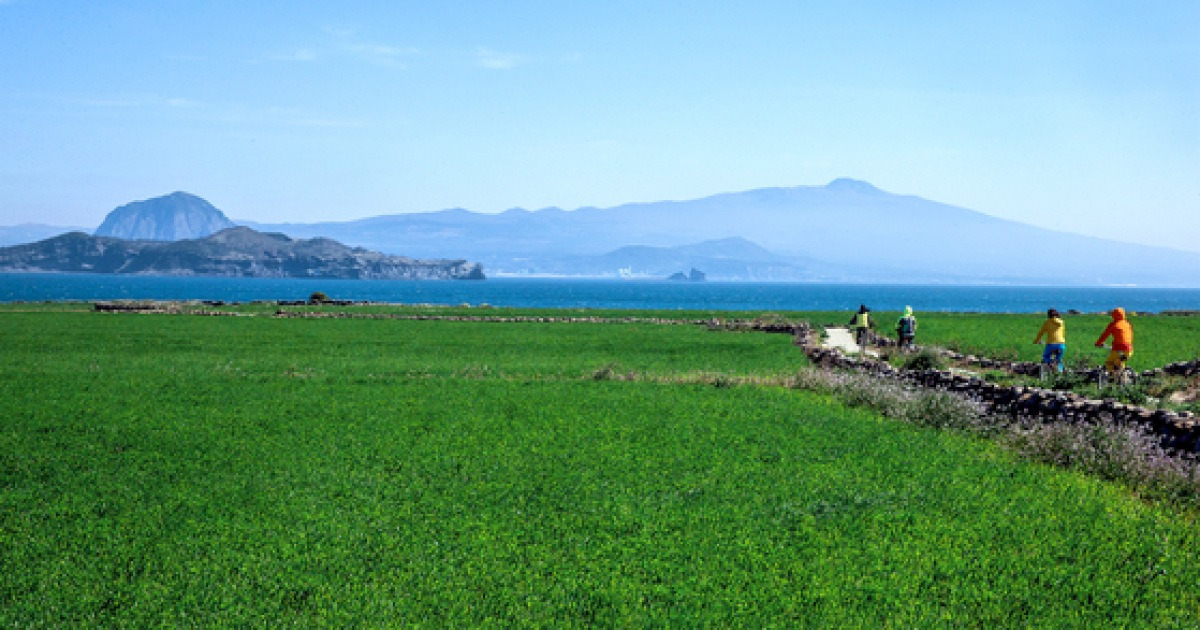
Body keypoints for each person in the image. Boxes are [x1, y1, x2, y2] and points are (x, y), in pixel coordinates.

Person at [1094, 307, 1134, 375]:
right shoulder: (1127, 324)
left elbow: (1104, 335)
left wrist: (1098, 343)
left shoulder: (1113, 324)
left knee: (1109, 363)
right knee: (1120, 362)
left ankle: (1113, 377)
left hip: (1118, 349)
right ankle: (1123, 377)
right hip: (1129, 350)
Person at [1033, 308, 1066, 372]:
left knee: (1046, 356)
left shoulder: (1047, 323)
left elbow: (1040, 333)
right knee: (1058, 360)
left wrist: (1036, 341)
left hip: (1051, 344)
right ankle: (1060, 372)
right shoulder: (1062, 322)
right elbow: (1063, 334)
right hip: (1061, 344)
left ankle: (1051, 364)